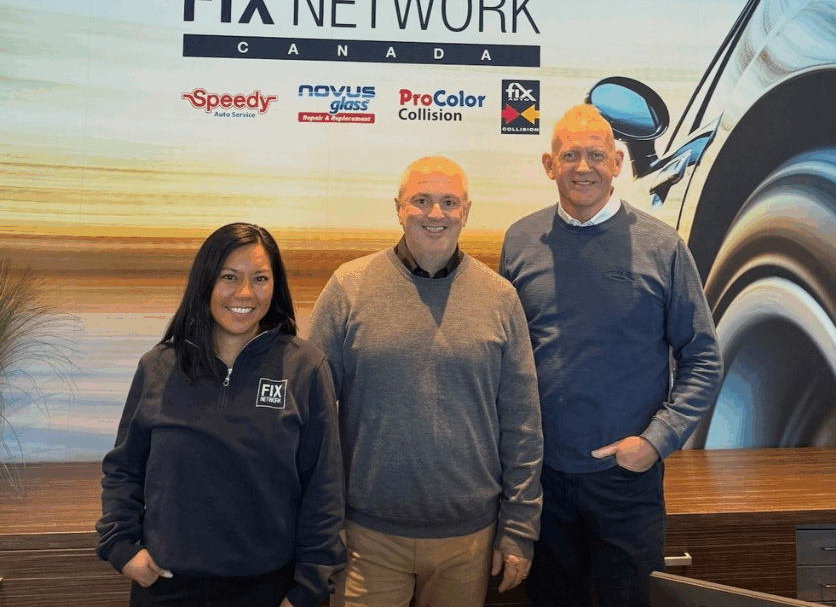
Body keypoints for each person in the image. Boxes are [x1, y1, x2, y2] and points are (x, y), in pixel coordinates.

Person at [499, 104, 724, 607]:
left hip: (627, 481)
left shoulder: (662, 246)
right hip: (543, 481)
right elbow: (507, 358)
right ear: (549, 165)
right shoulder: (519, 242)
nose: (583, 167)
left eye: (596, 155)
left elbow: (704, 358)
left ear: (618, 162)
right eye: (570, 155)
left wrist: (656, 442)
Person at [307, 156, 543, 607]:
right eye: (421, 200)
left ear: (466, 212)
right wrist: (321, 515)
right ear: (399, 208)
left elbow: (523, 423)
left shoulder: (500, 297)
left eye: (449, 202)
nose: (436, 214)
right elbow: (310, 414)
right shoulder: (348, 287)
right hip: (366, 537)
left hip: (469, 540)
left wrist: (519, 527)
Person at [96, 223, 346, 607]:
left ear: (275, 286)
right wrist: (121, 547)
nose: (244, 293)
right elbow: (124, 468)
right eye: (229, 277)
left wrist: (308, 589)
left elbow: (323, 487)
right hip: (166, 584)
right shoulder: (159, 366)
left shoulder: (305, 368)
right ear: (206, 282)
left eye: (260, 278)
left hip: (269, 589)